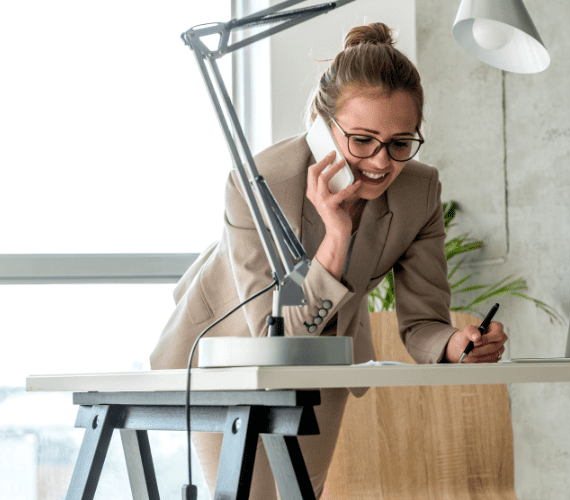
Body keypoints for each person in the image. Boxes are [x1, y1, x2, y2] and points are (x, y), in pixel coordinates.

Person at [150, 22, 507, 499]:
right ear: (322, 127)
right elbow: (274, 334)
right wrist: (336, 237)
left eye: (401, 143)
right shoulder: (260, 183)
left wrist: (455, 343)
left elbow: (423, 321)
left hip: (325, 354)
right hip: (228, 354)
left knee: (303, 493)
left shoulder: (419, 192)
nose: (382, 163)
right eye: (362, 140)